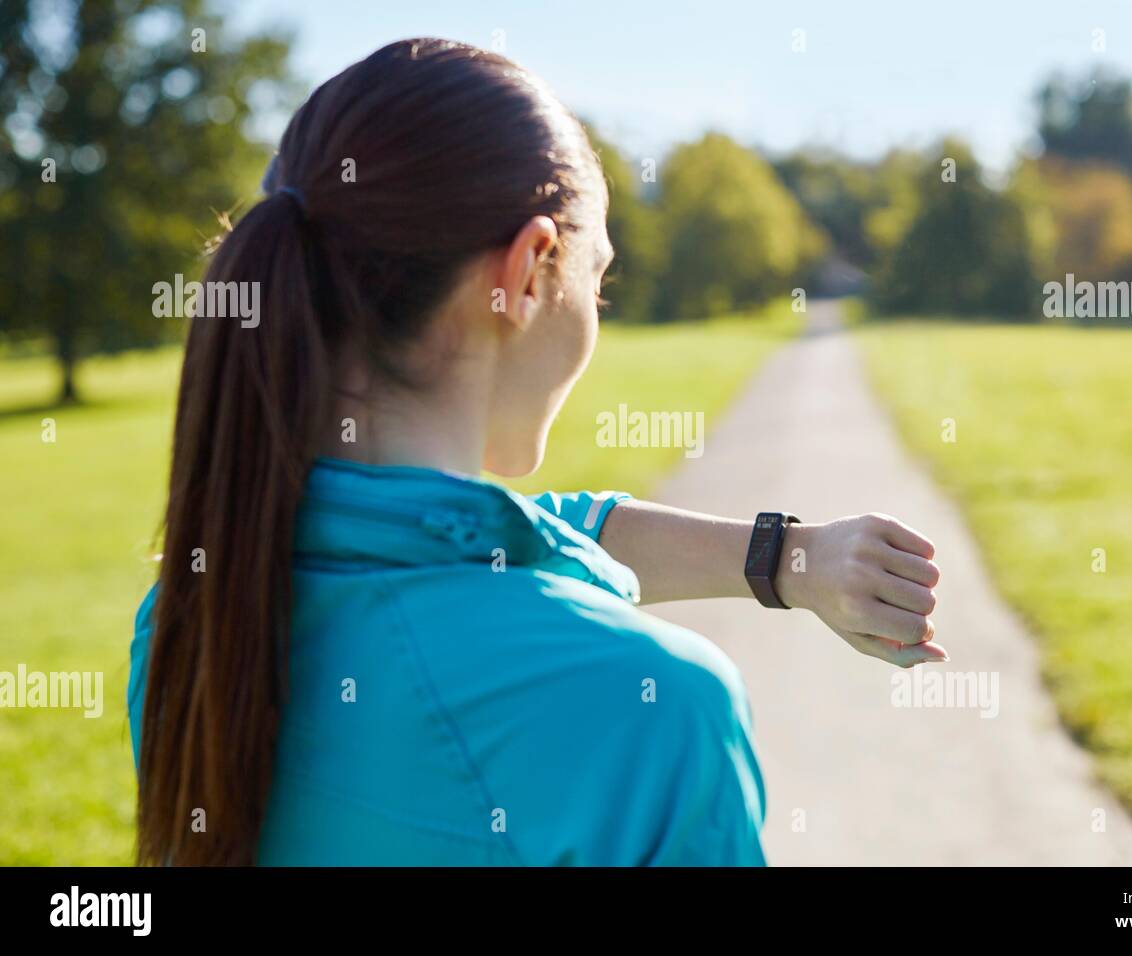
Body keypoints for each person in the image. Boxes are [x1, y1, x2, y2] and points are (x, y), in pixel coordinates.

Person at [129, 38, 945, 866]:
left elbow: (501, 541)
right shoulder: (654, 710)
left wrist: (790, 558)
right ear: (524, 274)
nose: (596, 312)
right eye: (598, 279)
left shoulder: (186, 628)